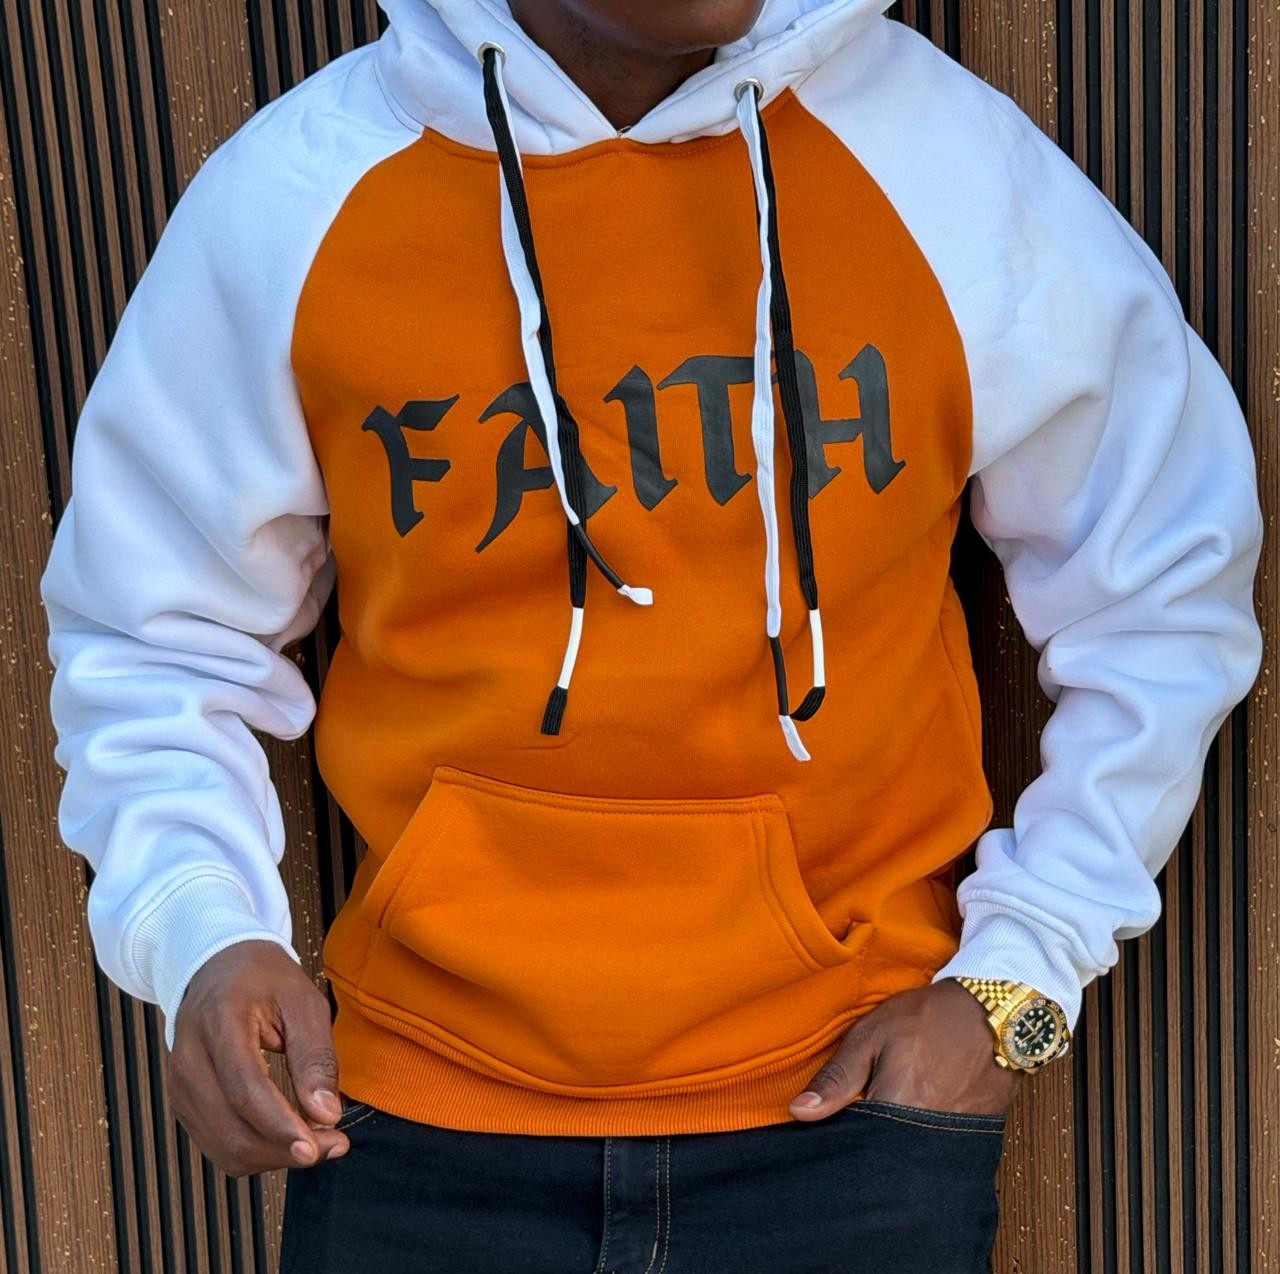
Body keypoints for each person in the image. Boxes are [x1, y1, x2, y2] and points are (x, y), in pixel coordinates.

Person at [38, 0, 1264, 1269]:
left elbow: (1161, 585)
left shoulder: (941, 168)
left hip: (849, 1124)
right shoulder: (300, 196)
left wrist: (1015, 981)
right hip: (414, 1122)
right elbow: (154, 634)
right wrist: (200, 929)